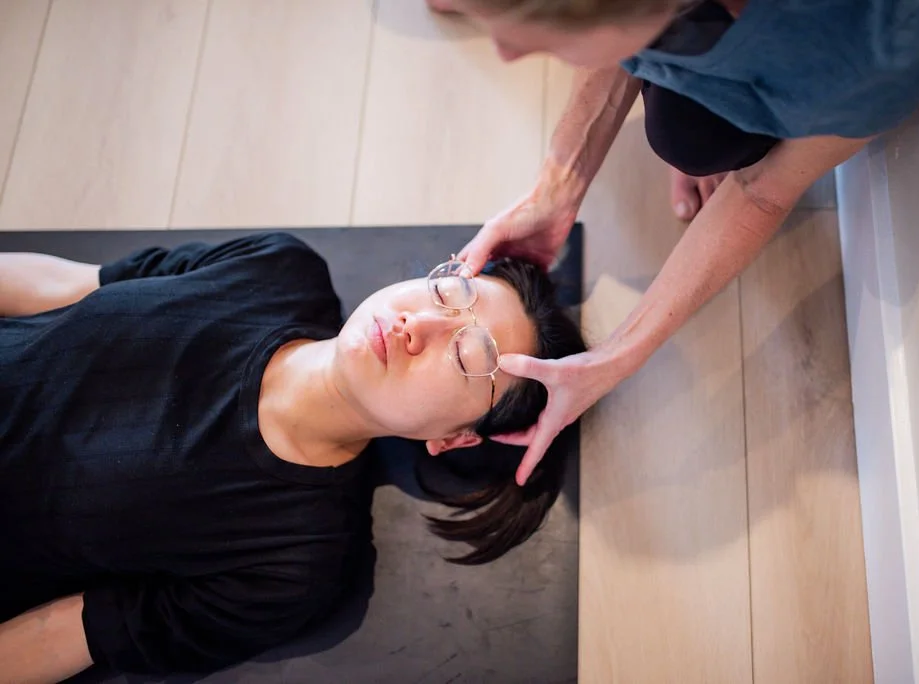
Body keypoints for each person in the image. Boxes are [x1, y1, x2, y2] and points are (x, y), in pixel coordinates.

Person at [426, 0, 919, 485]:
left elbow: (763, 194)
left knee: (688, 136)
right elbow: (616, 44)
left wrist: (617, 358)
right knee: (685, 136)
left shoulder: (870, 57)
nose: (502, 54)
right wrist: (558, 186)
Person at [0, 232, 585, 681]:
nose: (420, 324)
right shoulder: (276, 269)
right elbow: (60, 287)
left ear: (457, 436)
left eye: (468, 356)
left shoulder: (295, 563)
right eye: (450, 293)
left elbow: (60, 634)